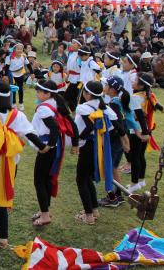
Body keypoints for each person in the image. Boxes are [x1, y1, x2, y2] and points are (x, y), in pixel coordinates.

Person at [0, 80, 46, 252]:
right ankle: (2, 237)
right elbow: (30, 133)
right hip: (10, 166)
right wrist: (42, 147)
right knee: (2, 199)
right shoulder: (16, 115)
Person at [30, 80, 75, 227]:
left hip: (48, 148)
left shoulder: (44, 108)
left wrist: (47, 145)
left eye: (39, 91)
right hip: (56, 147)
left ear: (47, 93)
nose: (37, 94)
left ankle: (44, 215)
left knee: (39, 180)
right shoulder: (56, 102)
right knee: (47, 179)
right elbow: (71, 122)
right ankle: (45, 211)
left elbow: (54, 127)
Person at [73, 81, 119, 225]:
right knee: (86, 178)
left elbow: (84, 128)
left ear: (87, 94)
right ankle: (94, 210)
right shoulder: (104, 108)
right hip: (100, 147)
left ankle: (88, 216)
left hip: (89, 147)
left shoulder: (84, 109)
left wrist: (77, 141)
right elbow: (113, 129)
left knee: (81, 179)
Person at [98, 76, 131, 208]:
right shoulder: (117, 101)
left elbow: (118, 124)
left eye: (105, 85)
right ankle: (118, 195)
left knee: (108, 168)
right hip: (118, 140)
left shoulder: (113, 104)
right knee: (114, 167)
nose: (103, 86)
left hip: (115, 140)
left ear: (111, 89)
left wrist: (125, 140)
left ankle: (112, 198)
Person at [129, 73, 164, 192]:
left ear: (141, 85)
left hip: (137, 130)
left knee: (135, 157)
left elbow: (138, 115)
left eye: (135, 81)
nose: (133, 82)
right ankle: (141, 179)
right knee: (140, 155)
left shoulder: (136, 97)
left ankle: (134, 183)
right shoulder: (147, 95)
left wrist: (143, 132)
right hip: (146, 129)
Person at [5, 43, 32, 110]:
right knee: (13, 89)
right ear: (14, 50)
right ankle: (13, 103)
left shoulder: (23, 56)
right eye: (18, 49)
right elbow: (7, 67)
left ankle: (21, 103)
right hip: (12, 75)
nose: (19, 50)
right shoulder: (10, 57)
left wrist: (32, 72)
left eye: (21, 49)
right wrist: (6, 76)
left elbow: (28, 65)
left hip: (20, 75)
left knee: (20, 89)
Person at [65, 39, 83, 111]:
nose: (72, 44)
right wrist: (67, 76)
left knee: (68, 97)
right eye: (72, 43)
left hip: (78, 79)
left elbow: (81, 68)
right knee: (71, 98)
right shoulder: (71, 54)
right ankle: (74, 112)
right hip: (71, 77)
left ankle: (74, 113)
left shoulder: (80, 56)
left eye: (74, 43)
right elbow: (69, 67)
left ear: (79, 46)